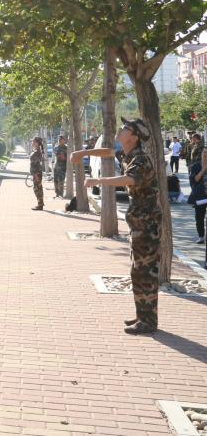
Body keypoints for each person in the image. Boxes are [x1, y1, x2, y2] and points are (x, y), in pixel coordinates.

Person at [74, 117, 160, 335]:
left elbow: (129, 179)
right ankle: (143, 315)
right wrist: (84, 153)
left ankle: (148, 321)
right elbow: (108, 152)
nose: (121, 130)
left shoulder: (141, 159)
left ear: (134, 137)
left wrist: (98, 181)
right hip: (139, 221)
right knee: (137, 271)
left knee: (145, 272)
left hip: (147, 223)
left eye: (126, 128)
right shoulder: (128, 153)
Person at [29, 137, 45, 211]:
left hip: (37, 173)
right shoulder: (37, 151)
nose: (32, 143)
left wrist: (35, 174)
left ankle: (40, 204)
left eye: (33, 141)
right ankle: (40, 203)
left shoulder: (37, 152)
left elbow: (36, 164)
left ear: (37, 143)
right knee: (38, 188)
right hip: (36, 173)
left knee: (37, 189)